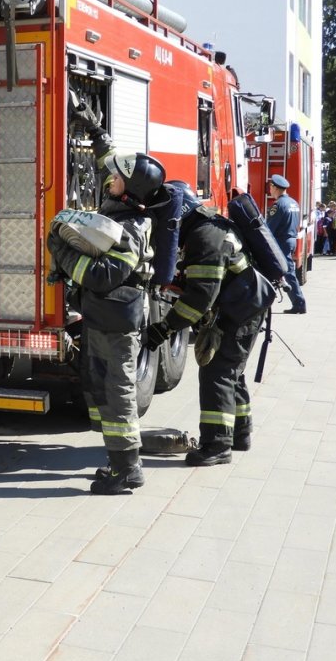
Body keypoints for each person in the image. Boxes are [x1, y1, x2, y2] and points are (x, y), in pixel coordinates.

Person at [47, 96, 164, 495]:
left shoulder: (129, 227)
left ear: (127, 188)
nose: (108, 179)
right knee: (100, 386)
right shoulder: (118, 205)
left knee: (118, 391)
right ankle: (116, 459)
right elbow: (109, 161)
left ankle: (128, 469)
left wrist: (60, 251)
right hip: (103, 318)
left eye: (115, 179)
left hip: (117, 321)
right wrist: (93, 128)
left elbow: (101, 277)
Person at [143, 182, 272, 466]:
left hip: (240, 312)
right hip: (244, 305)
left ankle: (216, 446)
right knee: (232, 372)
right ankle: (241, 433)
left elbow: (200, 299)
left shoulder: (205, 238)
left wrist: (164, 329)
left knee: (217, 374)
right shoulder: (209, 227)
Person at [266, 174, 306, 314]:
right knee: (286, 272)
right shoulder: (293, 202)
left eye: (270, 187)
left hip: (281, 242)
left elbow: (269, 228)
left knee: (288, 273)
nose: (269, 190)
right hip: (291, 239)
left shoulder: (278, 205)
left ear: (275, 188)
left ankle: (299, 304)